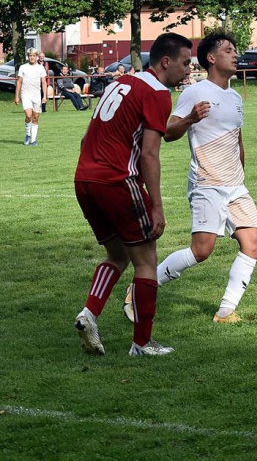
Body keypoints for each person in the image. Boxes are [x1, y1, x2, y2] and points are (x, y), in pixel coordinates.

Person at [73, 32, 195, 357]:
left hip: (85, 178)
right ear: (165, 62)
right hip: (116, 179)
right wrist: (156, 206)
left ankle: (89, 314)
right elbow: (149, 154)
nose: (188, 69)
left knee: (117, 254)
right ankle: (142, 343)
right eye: (185, 63)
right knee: (146, 259)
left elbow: (94, 132)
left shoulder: (122, 82)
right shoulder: (158, 92)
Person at [130, 32, 257, 324]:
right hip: (207, 182)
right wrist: (190, 118)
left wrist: (242, 173)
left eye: (235, 50)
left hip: (235, 185)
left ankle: (226, 311)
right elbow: (168, 132)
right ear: (212, 59)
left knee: (252, 243)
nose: (235, 54)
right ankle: (139, 287)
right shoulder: (194, 92)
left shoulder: (235, 96)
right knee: (201, 251)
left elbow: (237, 140)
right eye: (228, 50)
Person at [14, 48, 47, 146]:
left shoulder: (41, 68)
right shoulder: (23, 67)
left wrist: (44, 96)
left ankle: (33, 140)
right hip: (26, 95)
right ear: (28, 57)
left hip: (36, 95)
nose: (32, 57)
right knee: (28, 115)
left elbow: (44, 82)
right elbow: (19, 82)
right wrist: (16, 96)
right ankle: (28, 135)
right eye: (30, 56)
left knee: (36, 118)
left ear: (36, 57)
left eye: (33, 56)